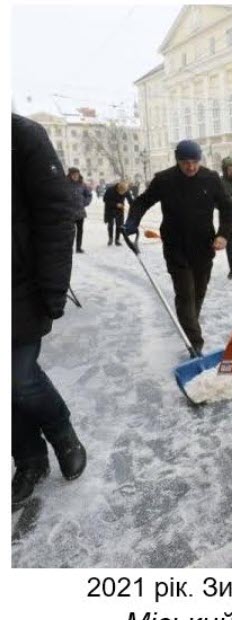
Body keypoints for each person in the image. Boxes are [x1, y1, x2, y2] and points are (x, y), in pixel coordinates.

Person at [12, 114, 87, 508]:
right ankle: (28, 459)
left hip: (18, 286)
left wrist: (54, 288)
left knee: (20, 377)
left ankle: (62, 434)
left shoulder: (21, 136)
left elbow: (57, 214)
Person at [124, 140, 232, 355]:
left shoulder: (211, 179)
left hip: (204, 246)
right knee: (185, 294)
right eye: (185, 163)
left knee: (198, 293)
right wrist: (132, 221)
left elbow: (228, 208)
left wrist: (223, 234)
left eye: (194, 162)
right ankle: (195, 344)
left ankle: (190, 324)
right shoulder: (164, 180)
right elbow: (142, 201)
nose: (191, 167)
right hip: (175, 247)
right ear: (178, 161)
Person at [67, 167, 93, 253]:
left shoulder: (82, 184)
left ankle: (78, 247)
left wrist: (84, 202)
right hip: (69, 212)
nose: (75, 176)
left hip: (80, 212)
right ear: (70, 175)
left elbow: (89, 195)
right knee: (70, 231)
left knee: (80, 231)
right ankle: (69, 247)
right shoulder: (65, 184)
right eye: (73, 174)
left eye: (77, 174)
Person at [103, 181, 134, 246]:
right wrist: (116, 204)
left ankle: (117, 240)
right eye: (121, 192)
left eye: (124, 192)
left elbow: (130, 200)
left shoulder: (126, 190)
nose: (123, 194)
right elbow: (105, 200)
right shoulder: (110, 190)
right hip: (110, 209)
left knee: (119, 225)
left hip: (119, 210)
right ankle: (110, 238)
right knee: (111, 224)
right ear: (118, 189)